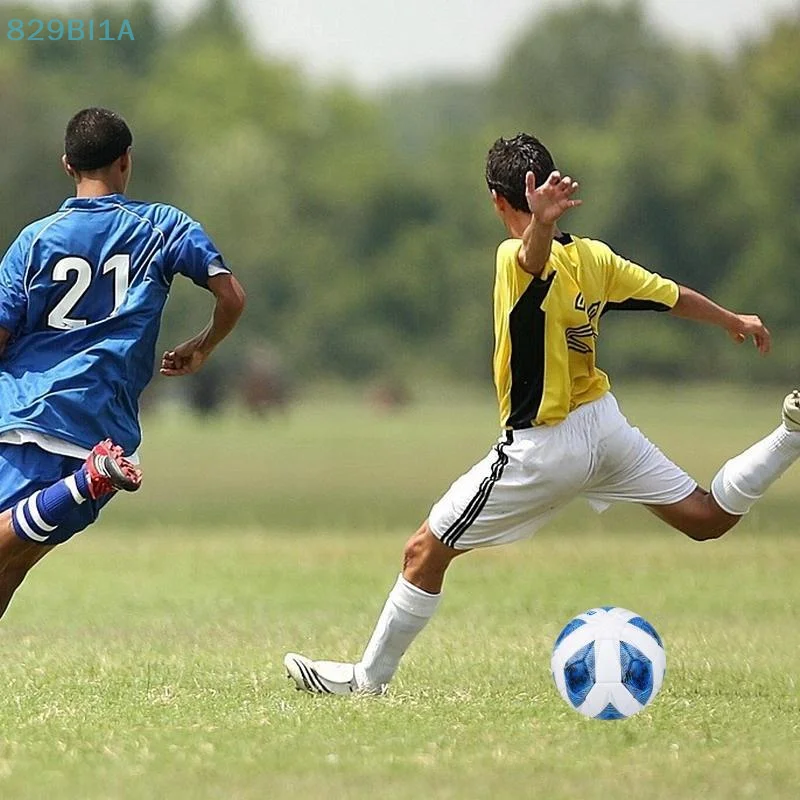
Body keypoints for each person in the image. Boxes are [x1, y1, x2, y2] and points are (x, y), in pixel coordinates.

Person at [284, 132, 800, 695]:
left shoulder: (514, 256)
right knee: (707, 518)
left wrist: (541, 224)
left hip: (544, 446)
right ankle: (791, 435)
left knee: (422, 552)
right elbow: (669, 296)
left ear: (495, 200)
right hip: (605, 425)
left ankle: (367, 681)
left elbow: (532, 260)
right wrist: (731, 319)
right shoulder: (595, 257)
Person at [0, 107, 245, 619]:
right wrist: (202, 345)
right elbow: (231, 298)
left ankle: (83, 481)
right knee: (12, 565)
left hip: (27, 418)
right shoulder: (163, 226)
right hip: (105, 425)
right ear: (126, 161)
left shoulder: (35, 240)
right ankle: (85, 480)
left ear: (67, 165)